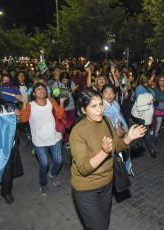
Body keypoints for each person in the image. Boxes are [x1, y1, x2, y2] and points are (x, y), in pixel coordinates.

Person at [69, 90, 146, 230]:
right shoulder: (78, 132)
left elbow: (116, 145)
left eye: (101, 104)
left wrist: (129, 138)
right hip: (86, 188)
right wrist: (104, 152)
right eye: (93, 106)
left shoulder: (106, 120)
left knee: (104, 222)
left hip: (106, 184)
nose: (99, 110)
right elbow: (83, 168)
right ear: (83, 110)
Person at [20, 83, 65, 196]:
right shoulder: (30, 105)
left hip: (54, 137)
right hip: (39, 140)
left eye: (43, 89)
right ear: (34, 93)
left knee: (59, 161)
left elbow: (59, 116)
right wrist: (24, 104)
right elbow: (24, 120)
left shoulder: (52, 101)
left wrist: (61, 103)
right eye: (38, 89)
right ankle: (43, 184)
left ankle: (53, 174)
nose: (42, 91)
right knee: (44, 164)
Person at [101, 84, 132, 175]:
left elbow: (119, 118)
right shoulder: (101, 107)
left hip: (120, 132)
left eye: (112, 93)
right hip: (108, 135)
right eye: (106, 93)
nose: (109, 95)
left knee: (122, 153)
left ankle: (123, 172)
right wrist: (114, 132)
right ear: (102, 94)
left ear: (115, 95)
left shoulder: (116, 104)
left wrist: (123, 128)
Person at [132, 73, 157, 158]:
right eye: (150, 79)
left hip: (148, 113)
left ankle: (139, 142)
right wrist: (150, 97)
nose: (152, 80)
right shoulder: (140, 88)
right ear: (146, 79)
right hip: (142, 113)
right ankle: (151, 150)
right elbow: (140, 101)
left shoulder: (149, 88)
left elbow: (154, 100)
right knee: (147, 132)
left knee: (143, 128)